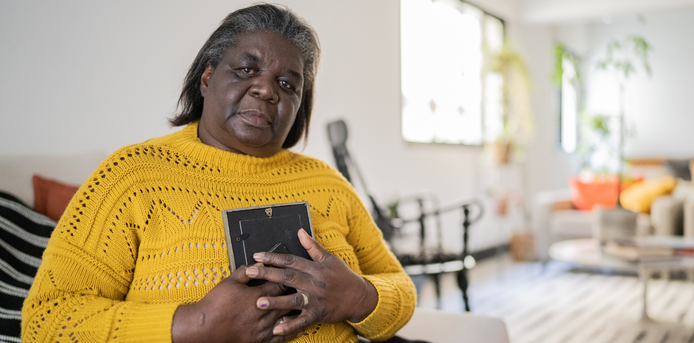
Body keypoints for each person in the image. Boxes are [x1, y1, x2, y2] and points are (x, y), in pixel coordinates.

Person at [21, 4, 416, 343]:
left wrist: (361, 298)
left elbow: (400, 288)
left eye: (286, 83)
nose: (266, 90)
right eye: (247, 69)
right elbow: (46, 321)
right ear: (207, 78)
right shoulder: (133, 176)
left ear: (299, 105)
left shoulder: (328, 184)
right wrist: (193, 324)